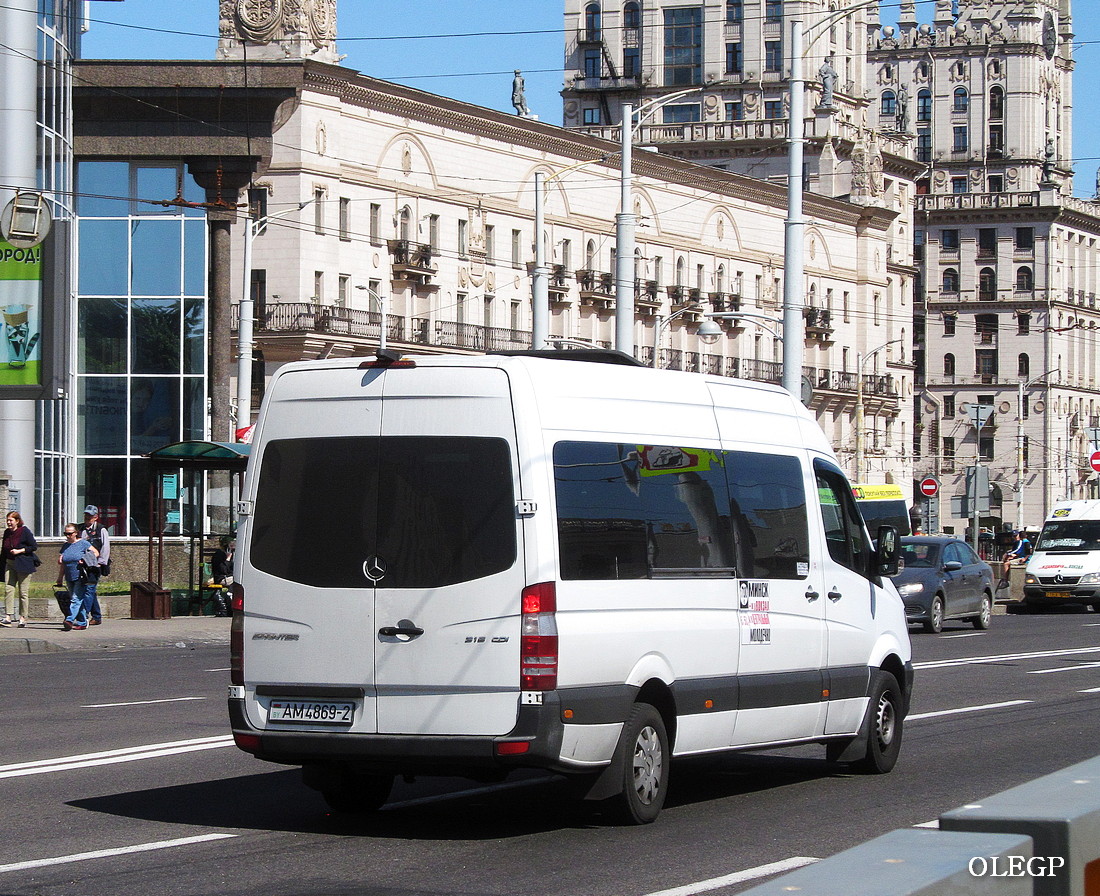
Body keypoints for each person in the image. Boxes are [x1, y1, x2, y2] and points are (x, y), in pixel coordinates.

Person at [55, 524, 99, 631]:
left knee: (76, 598)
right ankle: (82, 622)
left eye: (70, 533)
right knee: (76, 599)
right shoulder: (65, 546)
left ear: (76, 533)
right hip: (69, 576)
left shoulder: (83, 543)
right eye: (66, 534)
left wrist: (85, 559)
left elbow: (96, 553)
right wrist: (60, 578)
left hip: (81, 575)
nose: (68, 536)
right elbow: (63, 565)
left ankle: (69, 620)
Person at [1, 511, 37, 628]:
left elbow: (33, 546)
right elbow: (3, 549)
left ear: (17, 521)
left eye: (11, 520)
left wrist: (20, 550)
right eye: (7, 520)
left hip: (23, 564)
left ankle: (23, 617)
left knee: (23, 592)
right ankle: (8, 617)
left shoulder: (24, 531)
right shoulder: (7, 532)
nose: (8, 523)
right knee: (9, 589)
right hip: (10, 563)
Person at [80, 504, 110, 625]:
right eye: (86, 515)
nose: (87, 518)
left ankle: (84, 615)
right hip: (82, 564)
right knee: (89, 590)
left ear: (96, 517)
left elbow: (106, 548)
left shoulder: (101, 529)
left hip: (95, 565)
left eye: (90, 516)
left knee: (89, 589)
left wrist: (101, 563)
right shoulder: (80, 529)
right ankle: (96, 616)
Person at [210, 537, 235, 617]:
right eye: (230, 545)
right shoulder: (219, 555)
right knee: (238, 580)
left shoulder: (231, 554)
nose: (232, 547)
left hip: (229, 577)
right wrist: (227, 559)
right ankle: (229, 596)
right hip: (221, 578)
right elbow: (223, 570)